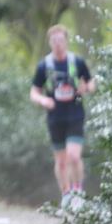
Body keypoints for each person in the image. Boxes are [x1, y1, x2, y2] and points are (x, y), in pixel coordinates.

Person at [30, 24, 95, 209]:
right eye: (54, 40)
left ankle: (78, 192)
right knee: (61, 160)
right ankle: (66, 193)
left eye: (61, 40)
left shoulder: (77, 62)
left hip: (75, 114)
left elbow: (91, 83)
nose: (58, 44)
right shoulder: (44, 66)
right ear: (50, 42)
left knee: (74, 156)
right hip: (55, 117)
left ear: (66, 41)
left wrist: (87, 88)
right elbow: (34, 92)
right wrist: (43, 101)